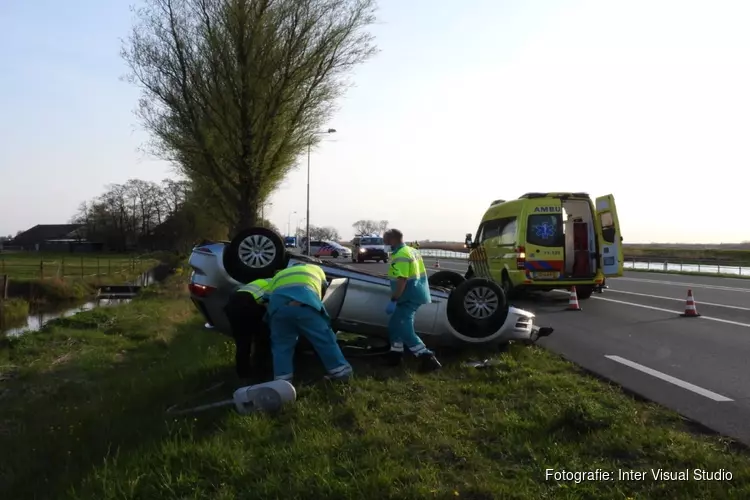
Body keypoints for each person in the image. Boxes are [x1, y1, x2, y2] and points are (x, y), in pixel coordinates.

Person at [265, 263, 353, 382]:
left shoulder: (279, 275)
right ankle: (341, 373)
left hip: (278, 308)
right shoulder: (316, 269)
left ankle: (282, 381)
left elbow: (267, 296)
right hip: (305, 303)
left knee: (281, 346)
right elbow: (324, 290)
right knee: (324, 339)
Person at [383, 229, 442, 372]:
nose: (384, 244)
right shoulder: (411, 250)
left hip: (409, 295)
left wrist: (394, 299)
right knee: (395, 325)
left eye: (385, 241)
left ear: (392, 240)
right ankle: (395, 354)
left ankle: (426, 357)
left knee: (404, 328)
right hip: (415, 292)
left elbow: (402, 279)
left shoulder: (401, 255)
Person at [223, 278, 273, 379]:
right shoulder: (276, 284)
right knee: (262, 339)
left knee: (242, 342)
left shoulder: (262, 281)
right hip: (249, 303)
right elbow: (270, 305)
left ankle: (243, 374)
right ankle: (262, 373)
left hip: (233, 304)